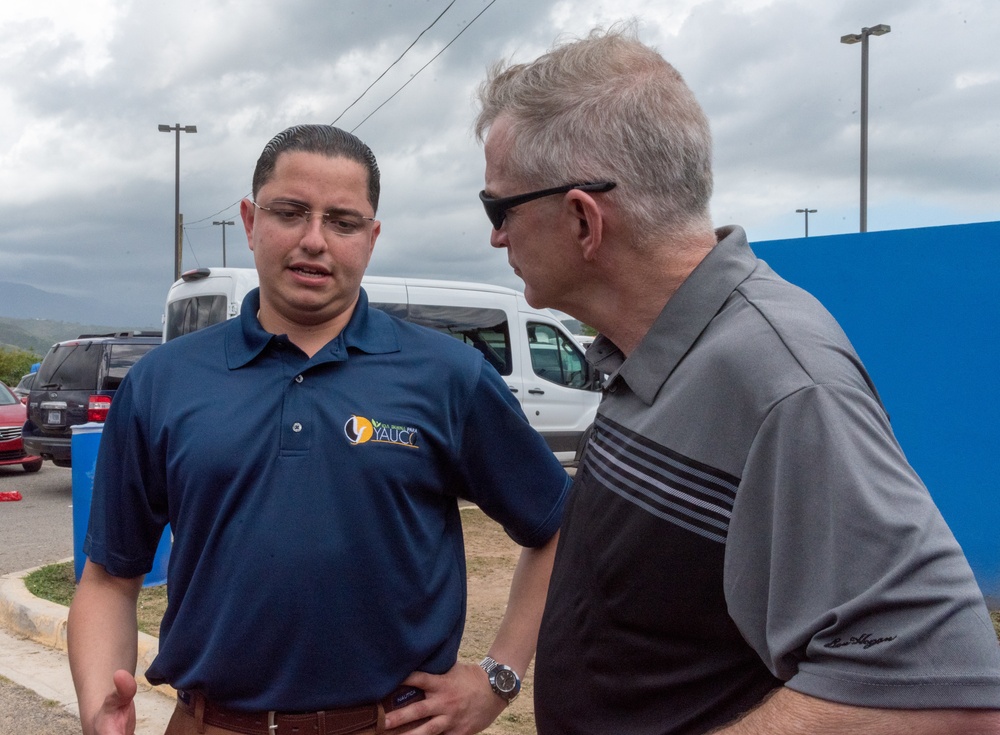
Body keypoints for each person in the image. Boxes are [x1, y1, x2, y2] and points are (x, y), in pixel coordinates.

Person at [474, 27, 1000, 735]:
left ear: (582, 218)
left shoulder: (781, 378)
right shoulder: (651, 349)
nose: (496, 238)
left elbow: (943, 697)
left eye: (499, 208)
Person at [67, 124, 570, 735]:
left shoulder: (449, 376)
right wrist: (98, 708)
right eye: (290, 212)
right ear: (251, 222)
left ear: (372, 237)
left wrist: (499, 677)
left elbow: (557, 529)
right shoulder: (161, 383)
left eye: (343, 221)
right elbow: (108, 582)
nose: (314, 241)